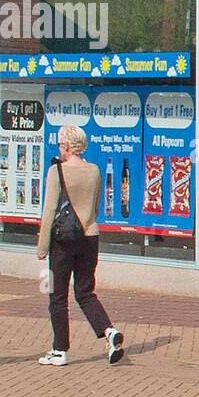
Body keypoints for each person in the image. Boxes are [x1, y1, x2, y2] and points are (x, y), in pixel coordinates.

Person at [36, 125, 124, 366]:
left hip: (63, 240)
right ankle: (108, 331)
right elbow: (95, 207)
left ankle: (59, 350)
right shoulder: (94, 171)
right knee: (85, 292)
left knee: (57, 296)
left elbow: (49, 210)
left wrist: (42, 246)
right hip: (90, 236)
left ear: (65, 146)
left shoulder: (57, 171)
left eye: (60, 145)